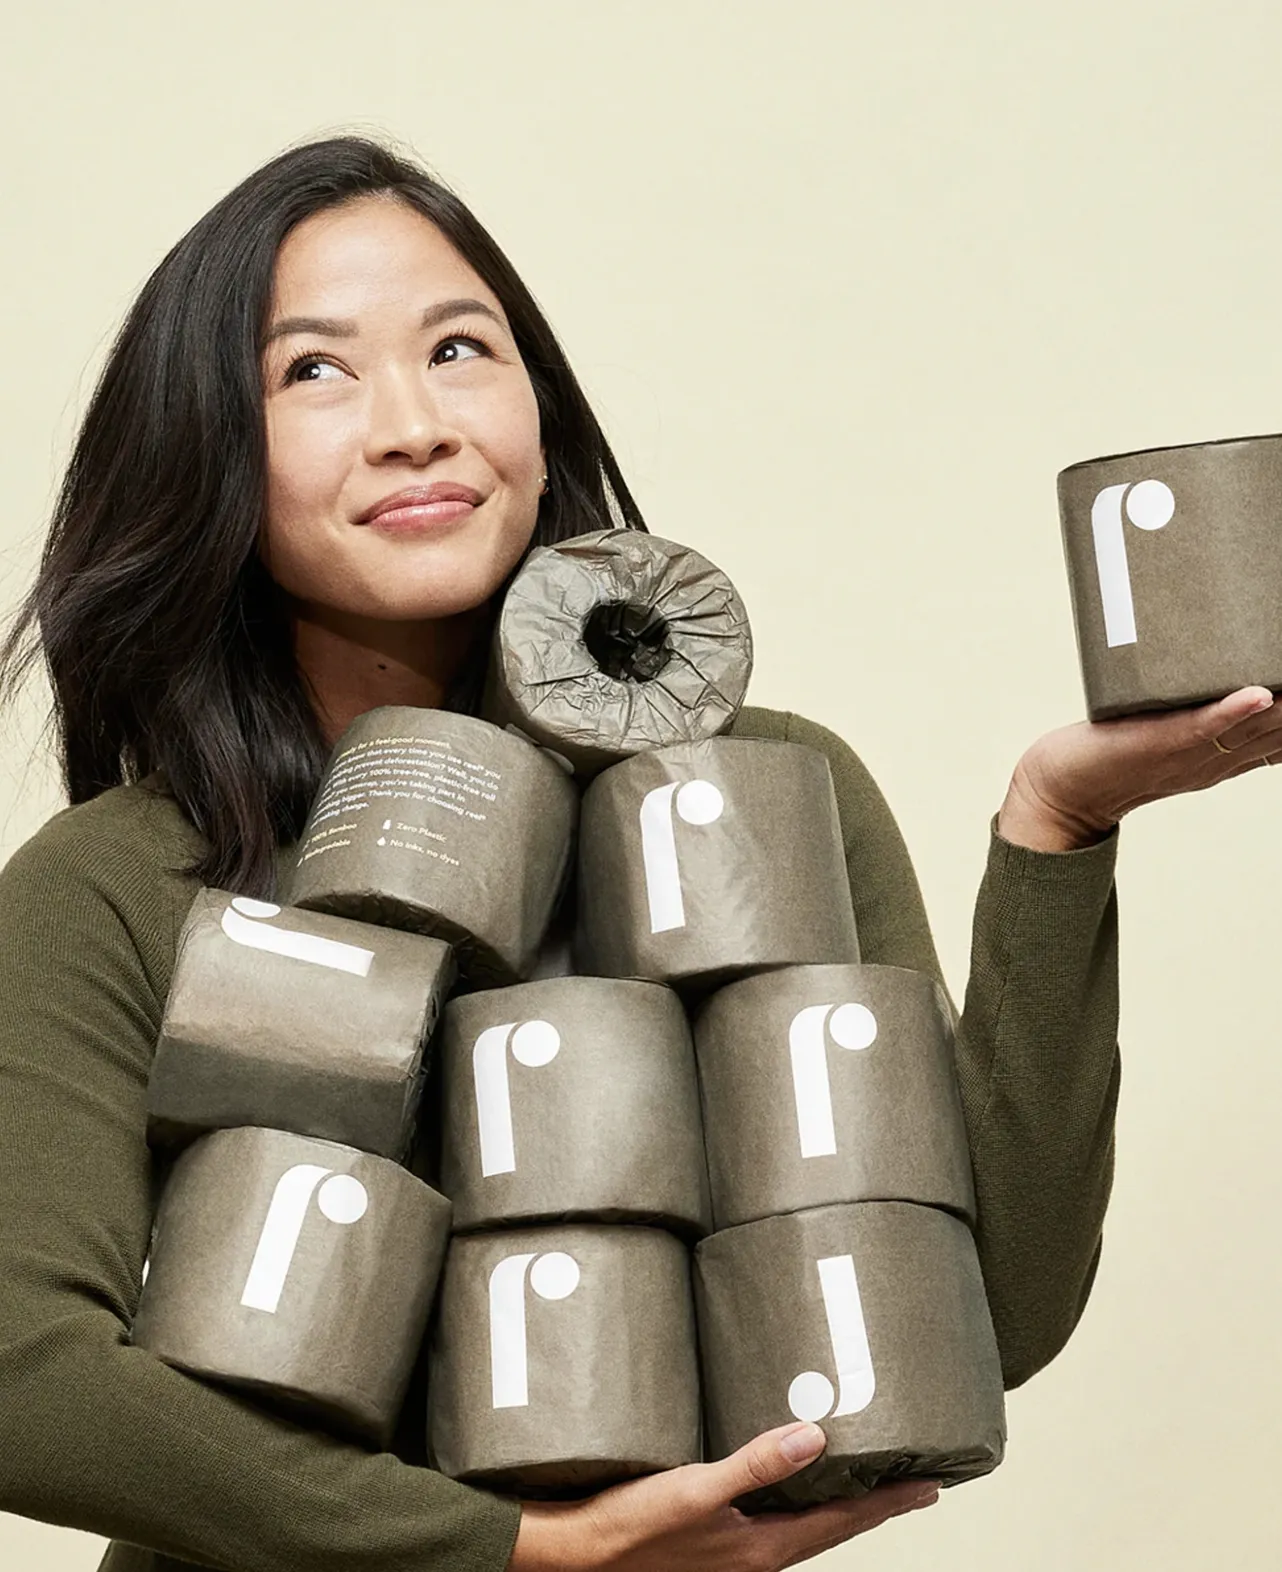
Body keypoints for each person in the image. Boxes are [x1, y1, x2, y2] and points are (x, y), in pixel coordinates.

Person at [0, 136, 1278, 1572]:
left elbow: (987, 1311)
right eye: (313, 371)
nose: (413, 423)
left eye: (460, 348)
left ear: (537, 407)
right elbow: (25, 1381)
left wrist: (1056, 831)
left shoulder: (769, 792)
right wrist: (505, 1549)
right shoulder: (116, 883)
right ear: (205, 455)